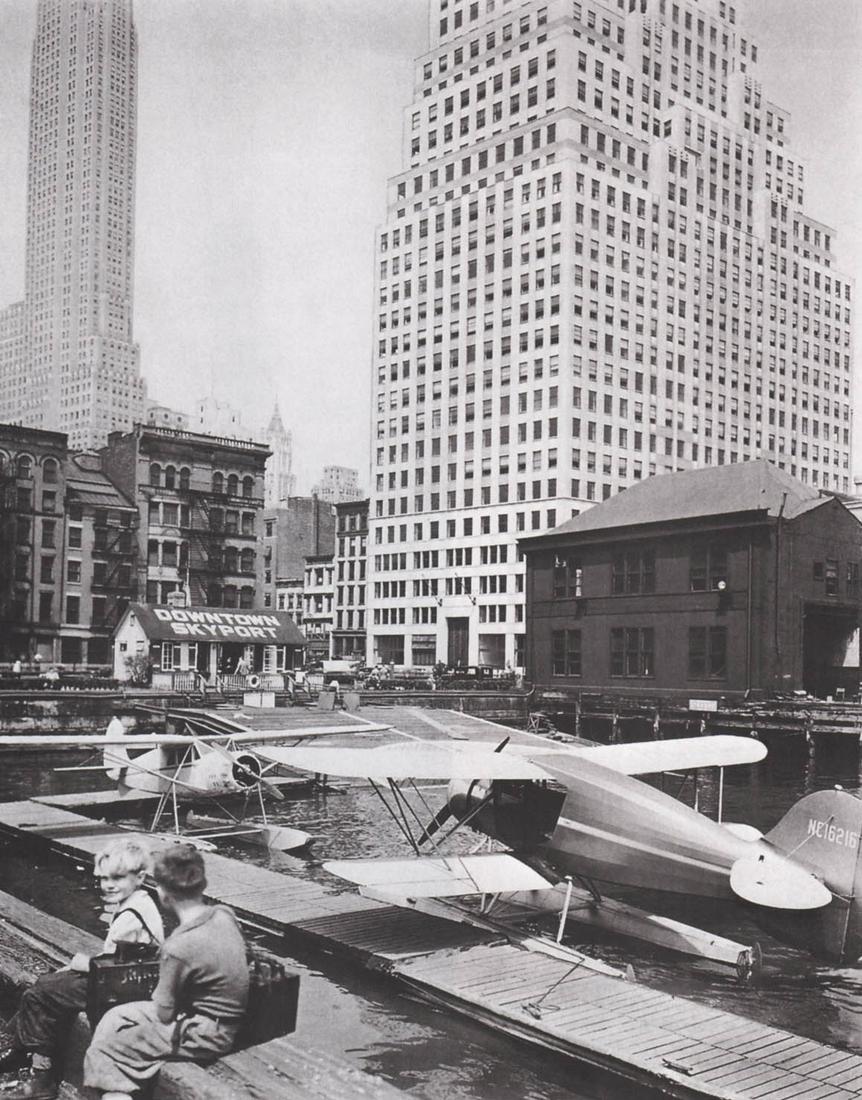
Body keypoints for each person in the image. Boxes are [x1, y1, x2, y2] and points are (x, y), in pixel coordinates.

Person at [0, 839, 163, 1100]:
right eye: (104, 878)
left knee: (42, 992)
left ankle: (41, 1075)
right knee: (48, 985)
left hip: (123, 988)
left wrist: (79, 963)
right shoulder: (139, 901)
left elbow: (111, 966)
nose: (108, 885)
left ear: (140, 877)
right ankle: (25, 1054)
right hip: (123, 980)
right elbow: (115, 958)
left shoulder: (132, 915)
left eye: (117, 878)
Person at [84, 844, 249, 1100]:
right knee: (115, 1017)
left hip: (205, 1033)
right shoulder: (224, 915)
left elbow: (163, 1013)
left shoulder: (178, 947)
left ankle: (115, 1090)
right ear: (201, 884)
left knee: (105, 1051)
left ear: (162, 892)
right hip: (222, 1019)